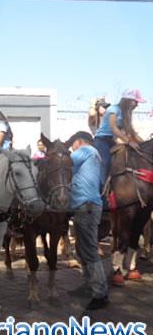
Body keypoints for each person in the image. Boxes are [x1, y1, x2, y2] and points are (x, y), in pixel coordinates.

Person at [67, 131, 109, 310]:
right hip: (85, 205)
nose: (71, 149)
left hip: (87, 205)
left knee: (89, 250)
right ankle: (89, 286)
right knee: (82, 249)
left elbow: (64, 162)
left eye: (72, 145)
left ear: (79, 142)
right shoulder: (95, 155)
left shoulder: (86, 150)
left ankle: (100, 294)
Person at [94, 88, 146, 185]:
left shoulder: (126, 113)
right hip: (101, 140)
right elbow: (114, 128)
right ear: (128, 101)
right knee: (106, 162)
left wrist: (144, 143)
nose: (137, 105)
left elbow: (131, 131)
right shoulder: (113, 109)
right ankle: (101, 189)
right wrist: (129, 141)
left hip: (112, 141)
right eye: (136, 102)